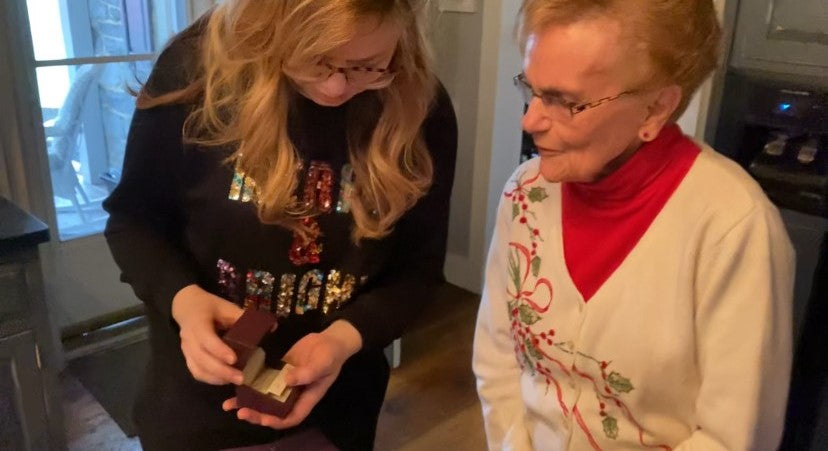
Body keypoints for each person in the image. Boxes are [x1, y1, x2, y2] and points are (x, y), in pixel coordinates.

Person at [103, 0, 457, 449]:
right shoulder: (195, 72)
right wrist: (183, 300)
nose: (334, 89)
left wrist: (345, 339)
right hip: (192, 409)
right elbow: (133, 220)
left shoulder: (419, 106)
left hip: (339, 408)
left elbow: (418, 271)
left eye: (366, 67)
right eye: (314, 57)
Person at [472, 1, 794, 449]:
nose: (530, 121)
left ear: (655, 109)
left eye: (565, 101)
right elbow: (496, 357)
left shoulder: (733, 228)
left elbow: (733, 437)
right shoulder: (526, 194)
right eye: (532, 88)